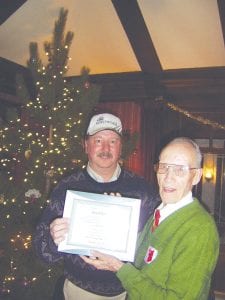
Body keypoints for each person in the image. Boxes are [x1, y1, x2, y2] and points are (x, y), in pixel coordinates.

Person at [34, 112, 159, 300]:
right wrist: (53, 239)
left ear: (120, 147)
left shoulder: (142, 189)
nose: (106, 148)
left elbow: (156, 246)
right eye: (98, 140)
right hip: (78, 292)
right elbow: (43, 254)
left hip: (128, 291)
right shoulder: (67, 187)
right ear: (86, 145)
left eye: (113, 141)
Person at [82, 137, 220, 300]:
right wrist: (117, 218)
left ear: (196, 176)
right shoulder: (161, 212)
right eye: (164, 167)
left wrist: (120, 269)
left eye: (179, 169)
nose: (168, 178)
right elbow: (141, 258)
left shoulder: (199, 229)